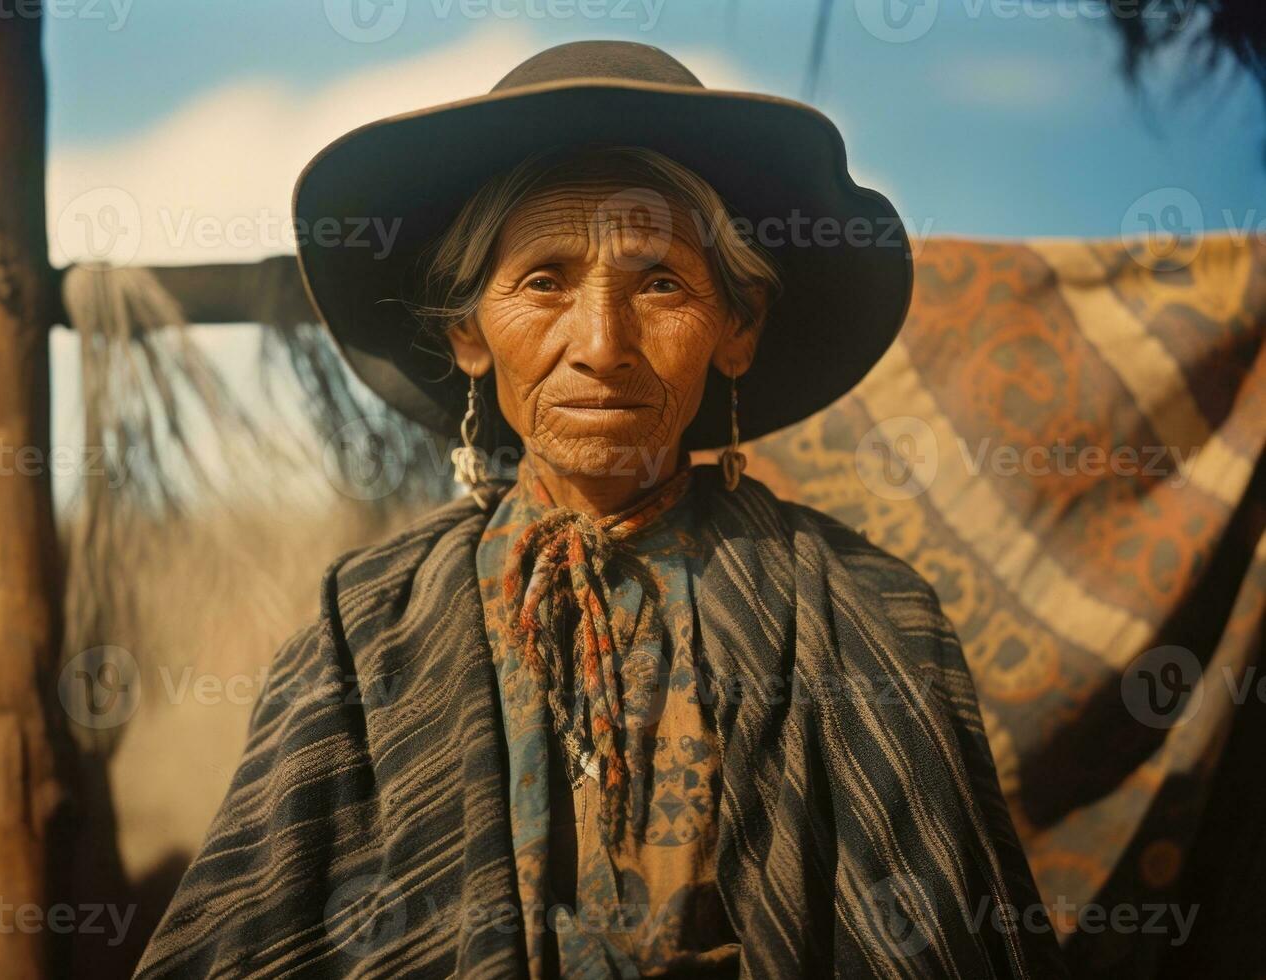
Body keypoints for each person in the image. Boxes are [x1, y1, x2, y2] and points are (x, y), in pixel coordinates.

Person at [135, 41, 1064, 978]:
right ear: (468, 332)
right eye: (544, 280)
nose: (602, 343)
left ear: (735, 330)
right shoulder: (366, 626)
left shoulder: (865, 612)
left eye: (660, 282)